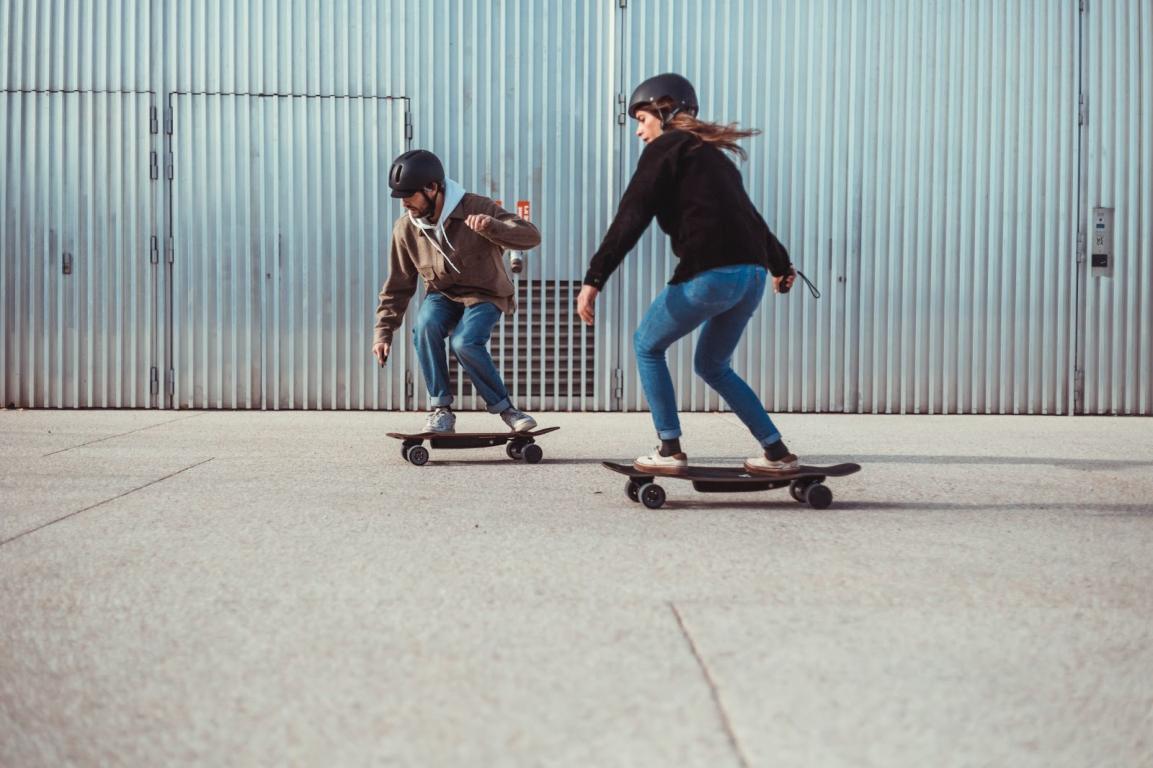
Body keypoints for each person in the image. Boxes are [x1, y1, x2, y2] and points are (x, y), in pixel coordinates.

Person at [576, 73, 799, 475]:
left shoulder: (666, 148)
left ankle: (669, 448)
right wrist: (780, 265)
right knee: (713, 365)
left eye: (642, 119)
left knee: (646, 344)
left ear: (665, 110)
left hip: (710, 276)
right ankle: (777, 452)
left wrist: (594, 279)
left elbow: (632, 216)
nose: (640, 132)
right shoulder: (714, 155)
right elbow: (752, 218)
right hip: (750, 278)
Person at [373, 149, 541, 434]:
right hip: (443, 294)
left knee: (464, 342)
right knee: (424, 326)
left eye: (410, 196)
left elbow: (530, 236)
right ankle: (441, 410)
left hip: (485, 293)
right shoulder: (405, 229)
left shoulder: (477, 206)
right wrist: (383, 331)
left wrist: (493, 227)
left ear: (433, 188)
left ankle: (507, 410)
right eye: (400, 198)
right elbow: (399, 284)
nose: (405, 205)